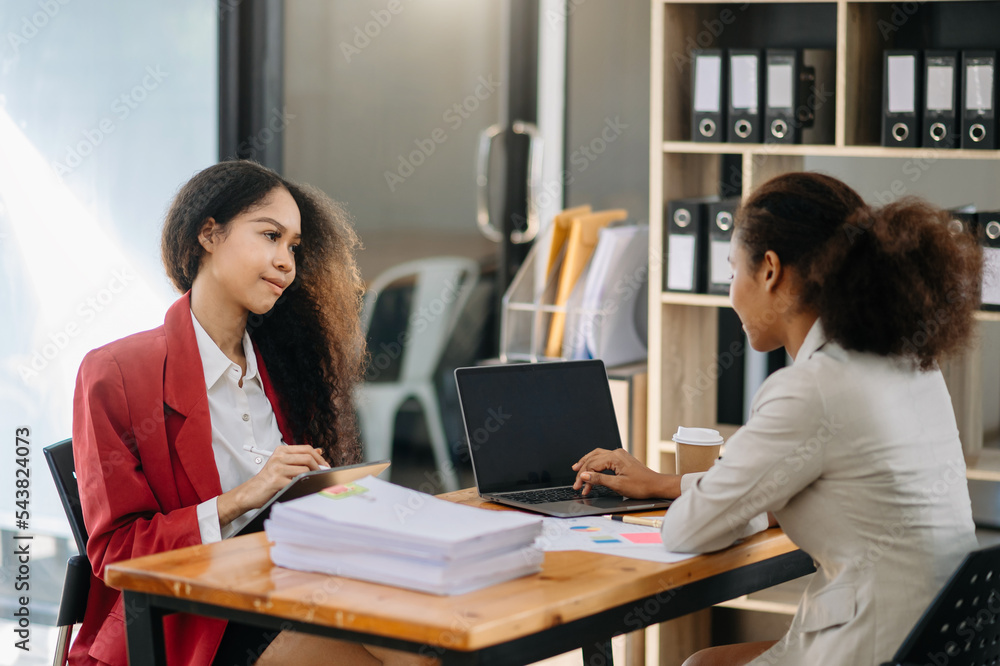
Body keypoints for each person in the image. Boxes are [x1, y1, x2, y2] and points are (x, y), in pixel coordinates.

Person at [571, 172, 983, 666]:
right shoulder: (909, 360)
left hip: (876, 645)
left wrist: (719, 501)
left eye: (732, 271)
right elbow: (801, 485)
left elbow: (687, 531)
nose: (730, 294)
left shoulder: (810, 389)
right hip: (947, 642)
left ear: (769, 270)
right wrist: (666, 484)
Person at [71, 160, 434, 666]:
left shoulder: (285, 368)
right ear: (209, 233)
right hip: (197, 621)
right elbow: (116, 554)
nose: (286, 260)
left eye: (293, 247)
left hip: (294, 584)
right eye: (270, 235)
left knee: (435, 635)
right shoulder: (115, 373)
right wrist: (242, 498)